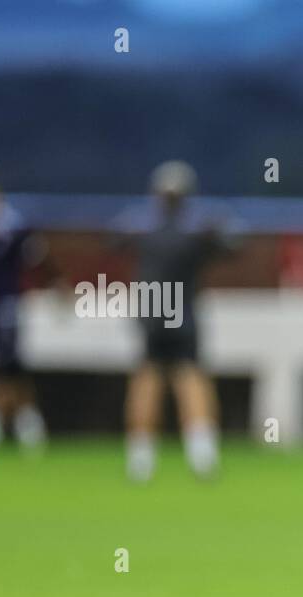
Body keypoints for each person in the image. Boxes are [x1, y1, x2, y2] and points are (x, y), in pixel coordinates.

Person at [118, 161, 236, 482]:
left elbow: (113, 239)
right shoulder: (193, 231)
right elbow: (231, 246)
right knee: (188, 378)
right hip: (181, 314)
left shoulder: (145, 228)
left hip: (154, 313)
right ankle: (201, 454)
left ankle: (141, 458)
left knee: (149, 378)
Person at [0, 181, 49, 451]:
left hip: (7, 304)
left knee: (4, 364)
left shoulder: (11, 228)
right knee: (10, 365)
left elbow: (37, 259)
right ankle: (28, 425)